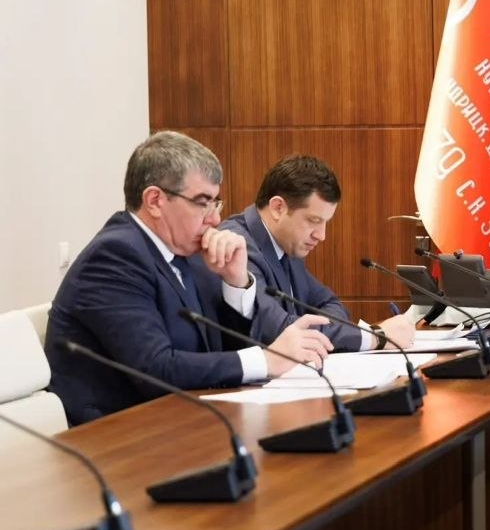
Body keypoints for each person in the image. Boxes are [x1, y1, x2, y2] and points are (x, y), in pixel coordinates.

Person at [46, 132, 333, 425]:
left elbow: (221, 348)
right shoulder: (114, 257)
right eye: (202, 202)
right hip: (115, 435)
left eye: (215, 203)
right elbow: (156, 369)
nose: (215, 219)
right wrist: (267, 359)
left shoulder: (188, 254)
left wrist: (235, 282)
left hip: (183, 419)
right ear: (155, 200)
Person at [222, 155, 414, 352]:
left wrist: (322, 330)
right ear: (278, 208)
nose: (321, 235)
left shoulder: (287, 244)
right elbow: (279, 330)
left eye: (325, 222)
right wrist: (376, 337)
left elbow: (331, 304)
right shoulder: (237, 246)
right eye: (314, 221)